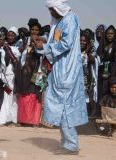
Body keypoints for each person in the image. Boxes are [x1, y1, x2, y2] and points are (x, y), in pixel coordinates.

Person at [34, 0, 88, 154]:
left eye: (52, 10)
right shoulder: (60, 21)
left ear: (60, 7)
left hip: (67, 71)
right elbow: (57, 40)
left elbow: (66, 43)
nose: (51, 13)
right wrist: (45, 41)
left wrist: (44, 47)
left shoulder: (70, 19)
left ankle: (71, 145)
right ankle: (67, 143)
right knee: (61, 107)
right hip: (59, 69)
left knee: (65, 108)